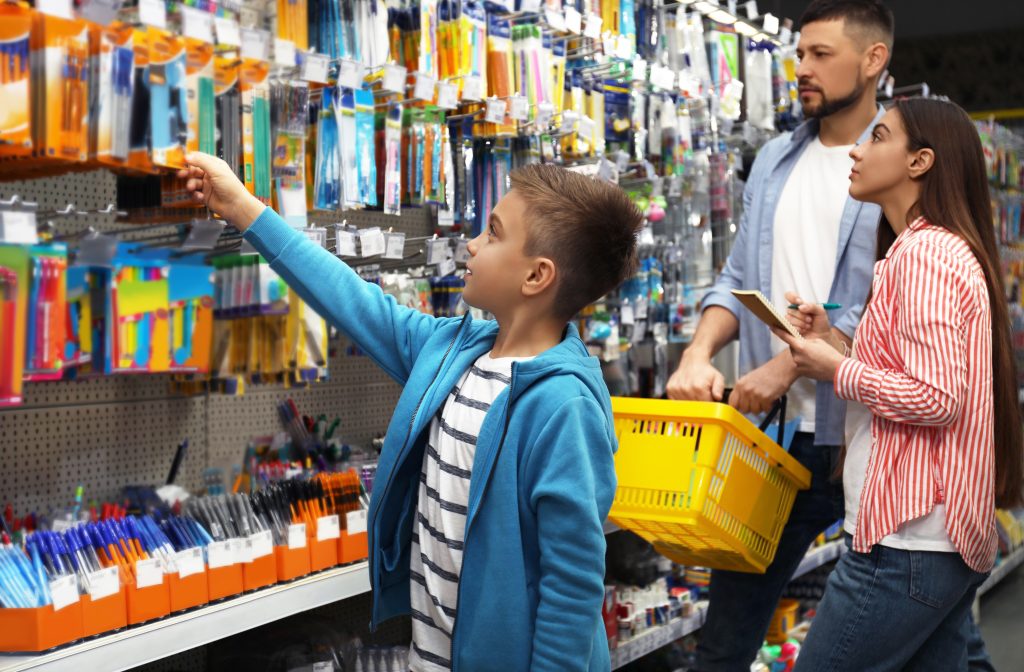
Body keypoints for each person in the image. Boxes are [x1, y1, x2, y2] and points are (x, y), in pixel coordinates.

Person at [177, 153, 644, 671]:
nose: (472, 243)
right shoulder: (454, 354)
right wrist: (241, 207)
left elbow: (573, 585)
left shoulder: (564, 405)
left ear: (536, 275)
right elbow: (352, 298)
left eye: (492, 233)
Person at [666, 2, 891, 668]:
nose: (803, 69)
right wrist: (699, 350)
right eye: (800, 56)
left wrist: (789, 366)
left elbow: (887, 302)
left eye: (821, 55)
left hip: (870, 439)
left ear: (873, 59)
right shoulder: (774, 160)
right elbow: (738, 277)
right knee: (725, 640)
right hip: (776, 444)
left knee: (927, 630)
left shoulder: (899, 158)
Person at [777, 97, 1023, 670]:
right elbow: (916, 375)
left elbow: (936, 397)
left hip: (907, 541)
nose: (857, 150)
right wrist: (837, 343)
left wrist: (833, 369)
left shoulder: (926, 255)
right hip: (932, 541)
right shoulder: (933, 251)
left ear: (920, 162)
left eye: (878, 137)